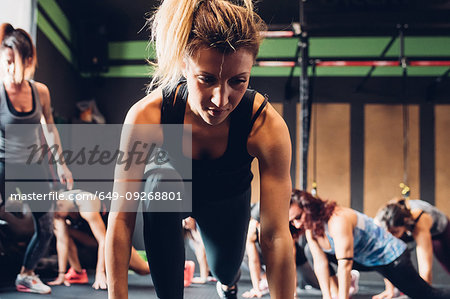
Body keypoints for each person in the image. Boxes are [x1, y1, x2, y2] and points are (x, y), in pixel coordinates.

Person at [105, 1, 295, 298]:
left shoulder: (266, 126)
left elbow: (275, 236)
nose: (221, 99)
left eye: (238, 81)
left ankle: (227, 282)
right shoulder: (146, 116)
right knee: (158, 183)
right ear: (184, 63)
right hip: (171, 191)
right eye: (207, 79)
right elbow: (120, 219)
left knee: (226, 269)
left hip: (228, 200)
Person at [0, 23, 73, 294]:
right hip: (4, 164)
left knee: (46, 226)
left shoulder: (40, 92)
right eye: (5, 62)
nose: (9, 69)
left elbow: (50, 129)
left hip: (32, 165)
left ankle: (26, 274)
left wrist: (61, 164)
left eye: (14, 62)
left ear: (28, 60)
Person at [289, 189, 450, 299]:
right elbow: (320, 263)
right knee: (310, 249)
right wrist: (327, 296)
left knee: (427, 295)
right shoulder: (311, 229)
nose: (296, 225)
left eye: (298, 217)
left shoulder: (337, 219)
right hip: (365, 259)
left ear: (309, 208)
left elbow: (345, 265)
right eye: (292, 221)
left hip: (392, 258)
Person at [48, 189, 150, 290]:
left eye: (55, 214)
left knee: (143, 269)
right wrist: (61, 274)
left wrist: (100, 273)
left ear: (59, 204)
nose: (56, 217)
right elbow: (62, 241)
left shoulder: (85, 203)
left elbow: (103, 240)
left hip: (109, 237)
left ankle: (164, 265)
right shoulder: (59, 211)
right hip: (89, 239)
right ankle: (77, 272)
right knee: (62, 230)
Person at [374, 198, 450, 298]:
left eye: (395, 232)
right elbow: (385, 257)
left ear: (405, 224)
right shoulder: (379, 221)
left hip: (441, 231)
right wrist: (389, 290)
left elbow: (425, 267)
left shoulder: (419, 221)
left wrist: (423, 295)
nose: (392, 237)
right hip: (402, 226)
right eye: (389, 233)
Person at [243, 202, 319, 298]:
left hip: (295, 258)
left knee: (316, 283)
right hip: (263, 255)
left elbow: (291, 265)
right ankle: (266, 280)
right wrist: (256, 289)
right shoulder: (252, 230)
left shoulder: (283, 232)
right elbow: (254, 262)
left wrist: (293, 294)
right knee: (244, 254)